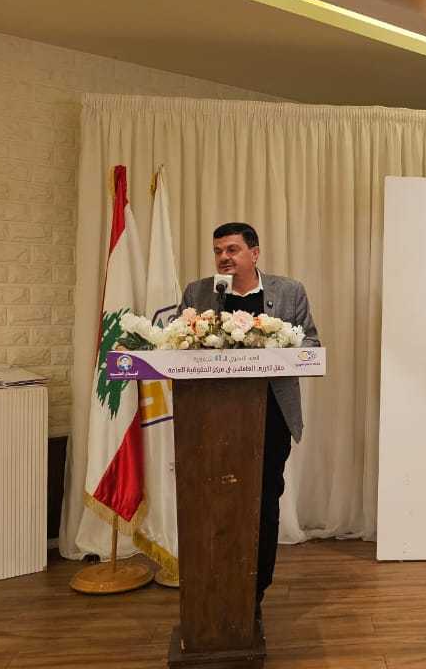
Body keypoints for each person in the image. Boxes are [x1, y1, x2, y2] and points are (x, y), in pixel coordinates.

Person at [179, 222, 320, 626]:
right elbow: (176, 341)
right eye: (218, 251)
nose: (223, 258)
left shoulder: (289, 291)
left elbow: (311, 343)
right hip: (208, 418)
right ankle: (212, 587)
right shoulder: (198, 293)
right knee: (210, 501)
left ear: (254, 254)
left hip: (271, 415)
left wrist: (274, 345)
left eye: (232, 250)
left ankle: (254, 590)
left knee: (262, 499)